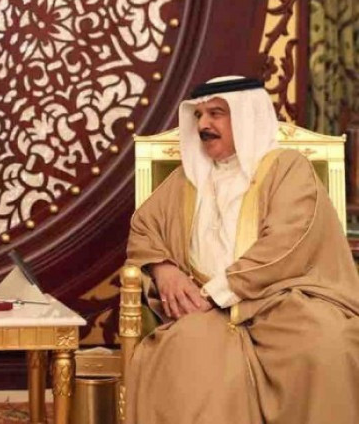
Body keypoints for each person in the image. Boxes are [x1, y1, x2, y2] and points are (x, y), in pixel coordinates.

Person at [125, 76, 359, 423]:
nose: (203, 125)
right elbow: (144, 228)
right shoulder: (186, 180)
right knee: (184, 355)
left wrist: (218, 292)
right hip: (201, 313)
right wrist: (164, 269)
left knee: (326, 345)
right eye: (199, 115)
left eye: (216, 113)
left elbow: (286, 244)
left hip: (282, 301)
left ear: (247, 116)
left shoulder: (287, 168)